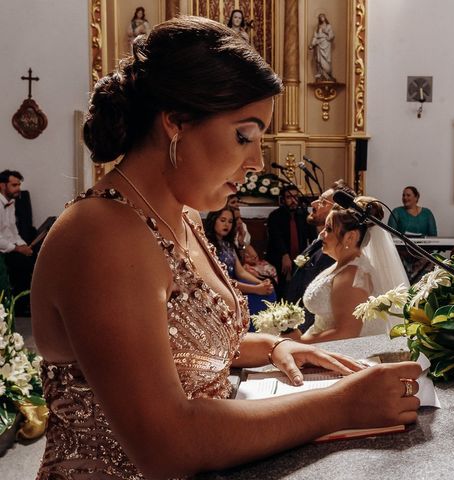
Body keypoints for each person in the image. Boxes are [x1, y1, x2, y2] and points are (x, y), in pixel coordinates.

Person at [31, 17, 420, 478]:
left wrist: (276, 346)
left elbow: (181, 349)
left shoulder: (183, 218)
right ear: (176, 121)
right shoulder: (101, 234)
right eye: (244, 135)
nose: (256, 161)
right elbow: (167, 443)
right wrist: (342, 405)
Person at [290, 196, 409, 343]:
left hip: (342, 355)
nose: (321, 234)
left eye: (329, 229)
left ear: (350, 237)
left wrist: (298, 343)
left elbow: (346, 333)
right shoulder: (342, 266)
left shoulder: (353, 275)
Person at [284, 180, 355, 331]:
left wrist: (298, 334)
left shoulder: (335, 252)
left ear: (337, 210)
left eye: (323, 201)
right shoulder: (320, 241)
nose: (314, 203)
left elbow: (324, 302)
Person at [204, 207, 275, 316]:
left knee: (269, 291)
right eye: (222, 220)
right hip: (221, 289)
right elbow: (221, 280)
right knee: (257, 298)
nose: (227, 225)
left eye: (230, 221)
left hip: (234, 284)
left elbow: (240, 272)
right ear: (213, 220)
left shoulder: (228, 244)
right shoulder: (207, 245)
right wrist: (255, 289)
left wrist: (261, 283)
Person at [266, 185, 315, 296]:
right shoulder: (275, 216)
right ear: (283, 200)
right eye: (289, 197)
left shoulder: (304, 215)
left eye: (295, 197)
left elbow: (313, 238)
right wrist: (285, 255)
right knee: (282, 290)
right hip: (278, 259)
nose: (293, 200)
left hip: (300, 258)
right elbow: (276, 238)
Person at [0, 169, 35, 315]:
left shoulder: (11, 203)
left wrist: (23, 245)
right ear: (2, 185)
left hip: (10, 247)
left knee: (33, 257)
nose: (18, 188)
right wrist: (16, 248)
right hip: (3, 250)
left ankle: (27, 302)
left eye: (19, 185)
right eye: (14, 185)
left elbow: (14, 232)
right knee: (22, 263)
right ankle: (20, 306)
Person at [309, 13, 335, 82]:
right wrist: (312, 44)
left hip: (326, 43)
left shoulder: (328, 26)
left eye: (322, 17)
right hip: (319, 44)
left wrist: (325, 31)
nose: (321, 18)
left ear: (325, 18)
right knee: (318, 60)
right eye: (320, 17)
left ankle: (328, 75)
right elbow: (315, 37)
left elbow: (331, 35)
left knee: (326, 59)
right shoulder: (317, 27)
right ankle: (321, 74)